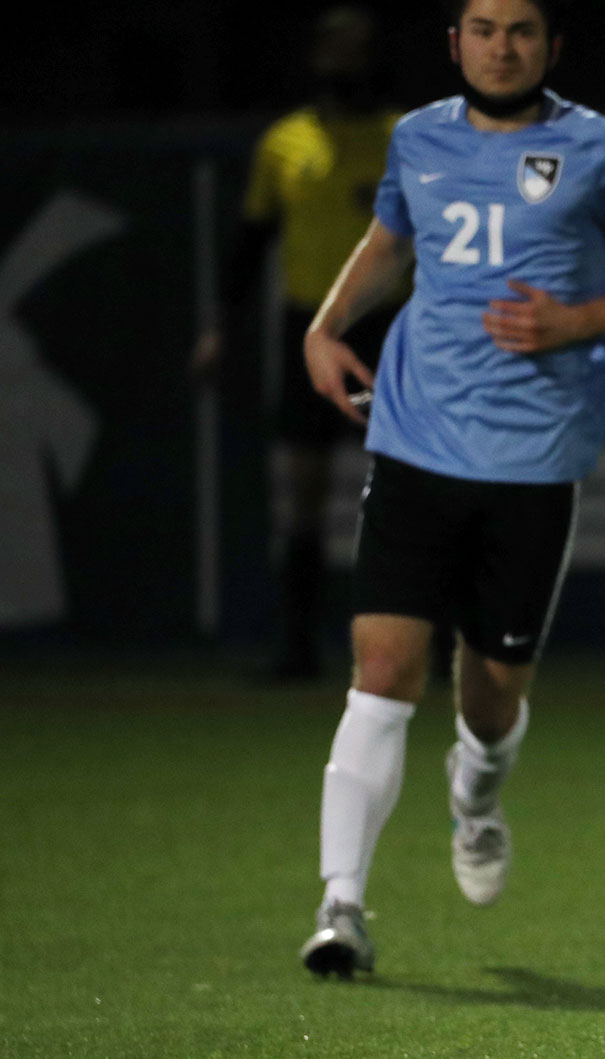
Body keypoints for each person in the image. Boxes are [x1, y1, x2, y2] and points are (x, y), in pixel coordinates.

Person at [296, 0, 605, 979]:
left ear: (552, 46)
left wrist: (578, 321)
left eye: (521, 30)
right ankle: (341, 907)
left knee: (489, 698)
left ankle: (475, 796)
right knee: (383, 671)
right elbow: (390, 239)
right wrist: (325, 325)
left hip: (533, 456)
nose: (501, 46)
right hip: (415, 436)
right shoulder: (417, 137)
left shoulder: (599, 147)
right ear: (455, 44)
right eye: (483, 28)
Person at [190, 6, 404, 681]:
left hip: (390, 330)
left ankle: (428, 648)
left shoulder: (408, 137)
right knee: (304, 489)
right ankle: (298, 646)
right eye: (333, 48)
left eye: (356, 48)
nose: (345, 60)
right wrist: (219, 328)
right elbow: (250, 244)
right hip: (310, 331)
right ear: (316, 57)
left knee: (411, 487)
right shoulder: (284, 144)